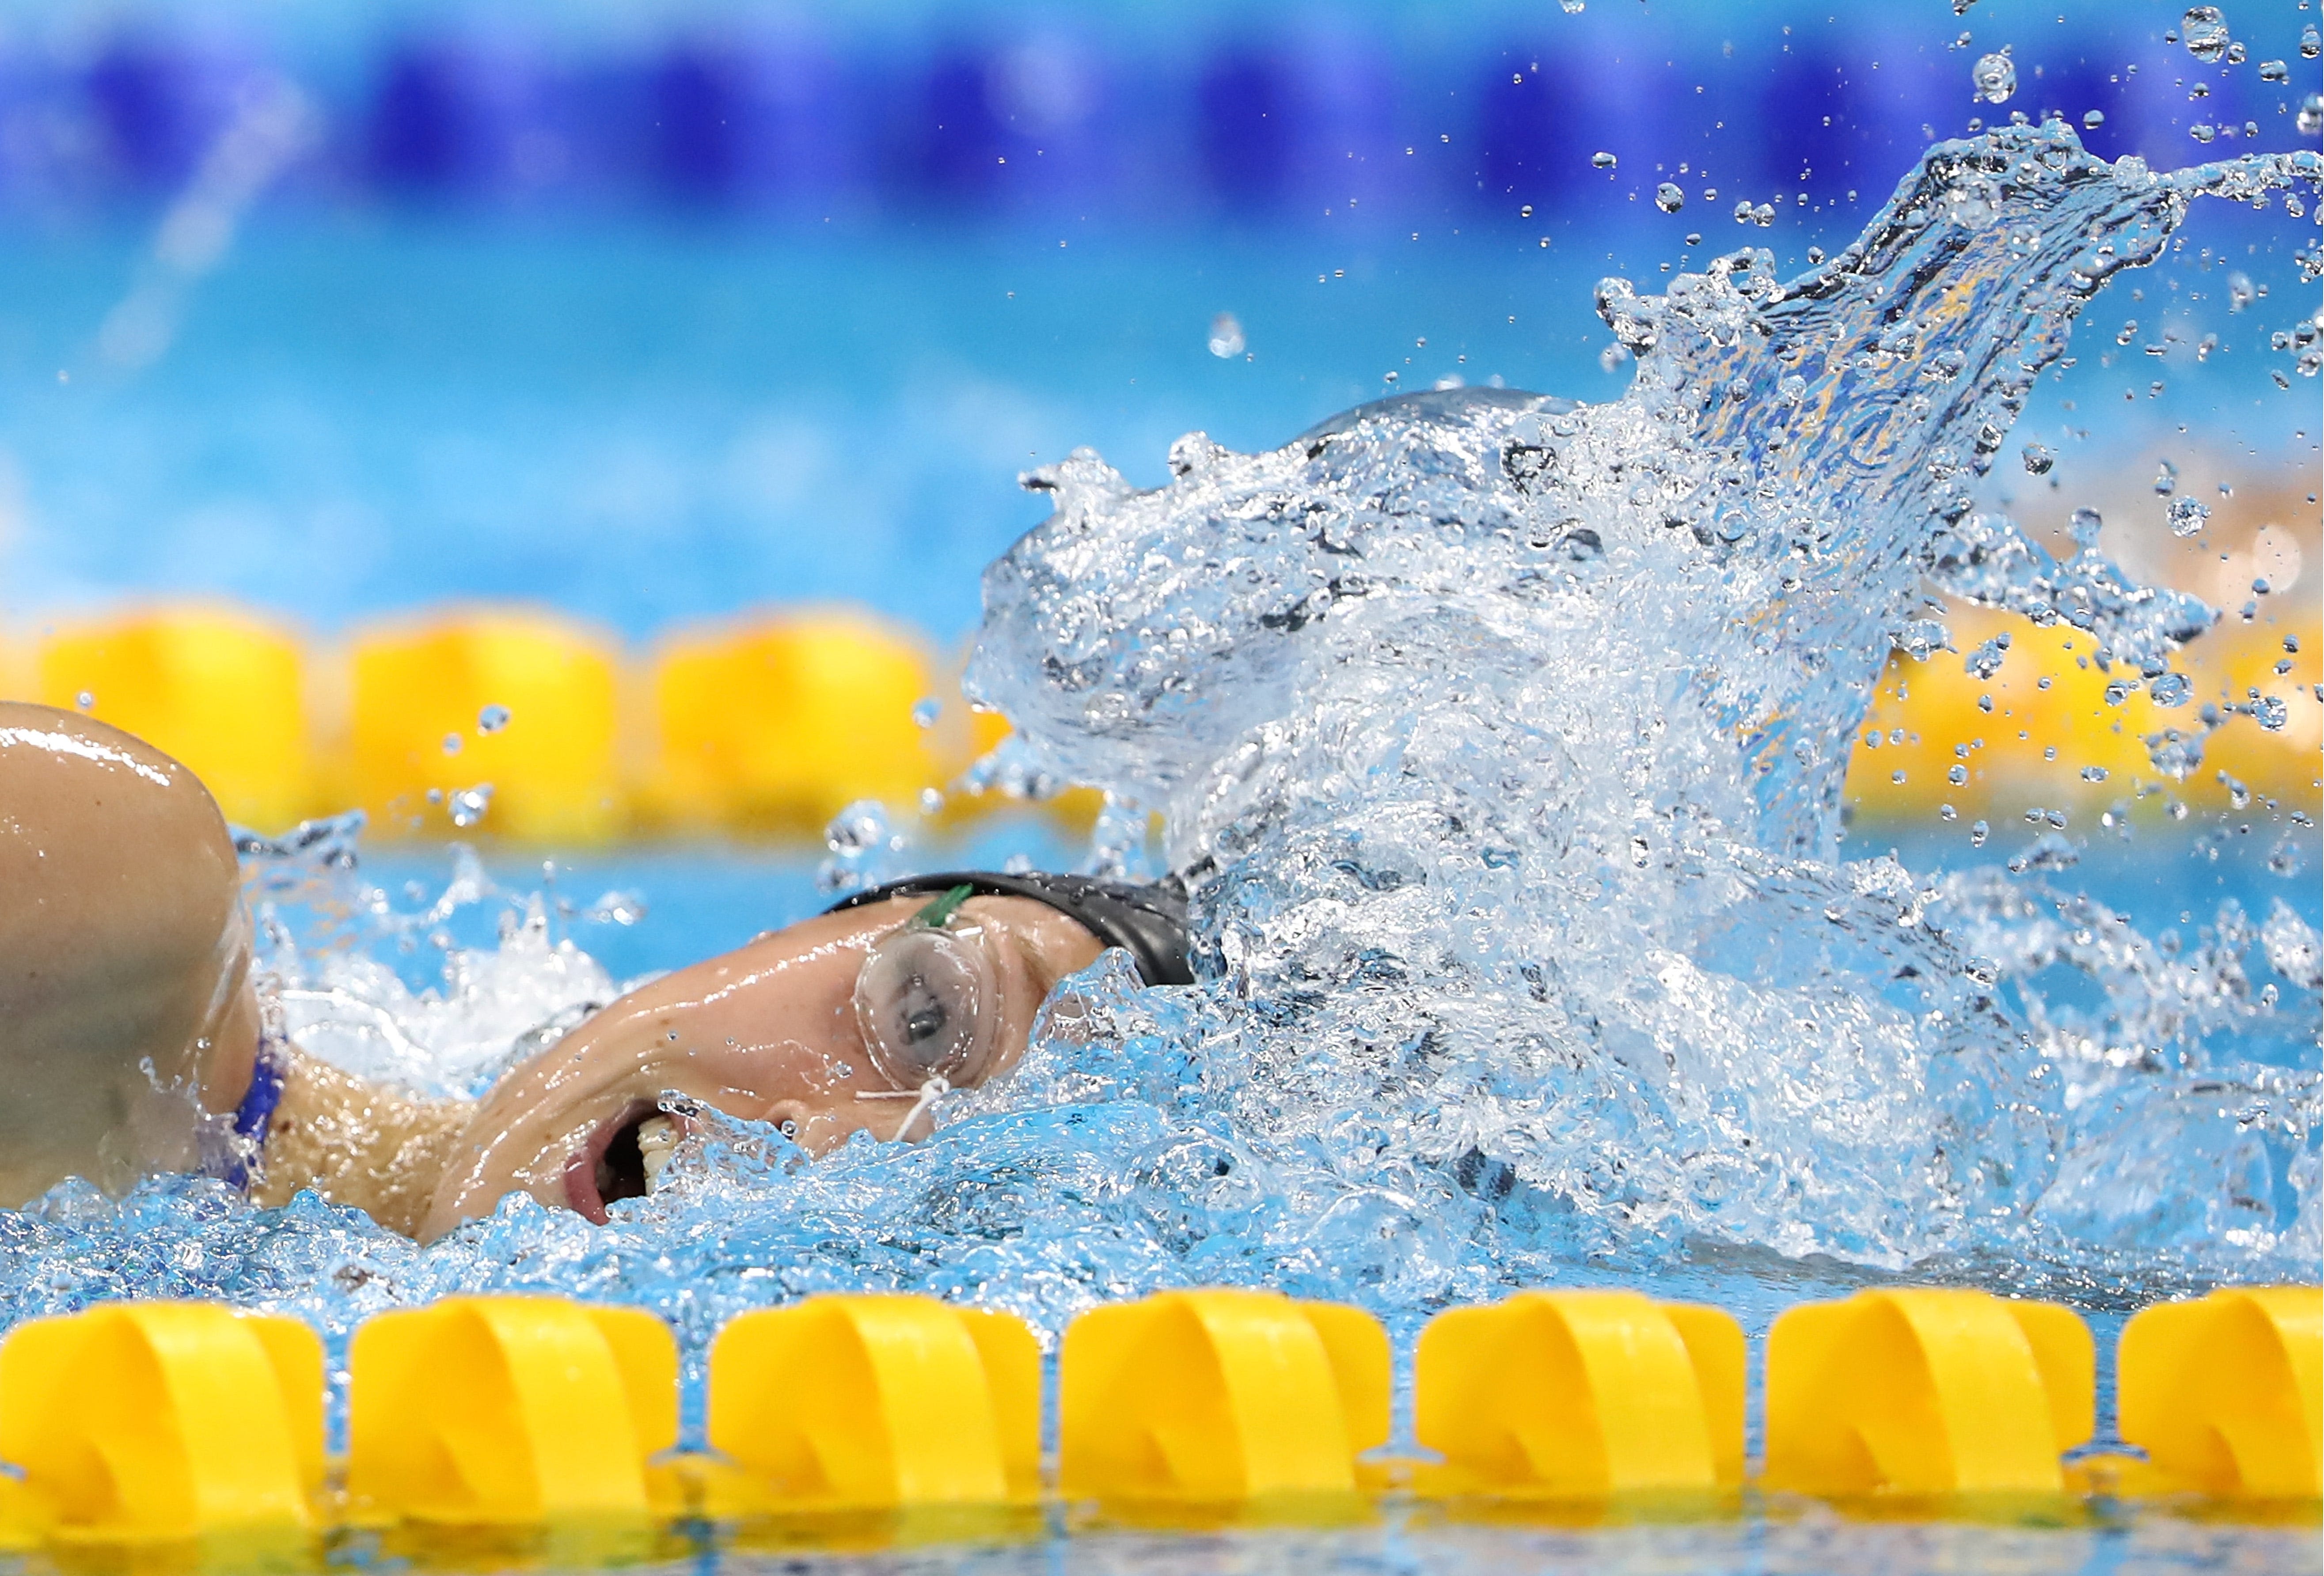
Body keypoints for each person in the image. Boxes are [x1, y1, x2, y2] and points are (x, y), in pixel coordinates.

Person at [0, 701, 1190, 1241]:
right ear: (787, 936)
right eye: (924, 1017)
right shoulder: (112, 914)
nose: (820, 1136)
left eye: (968, 1194)